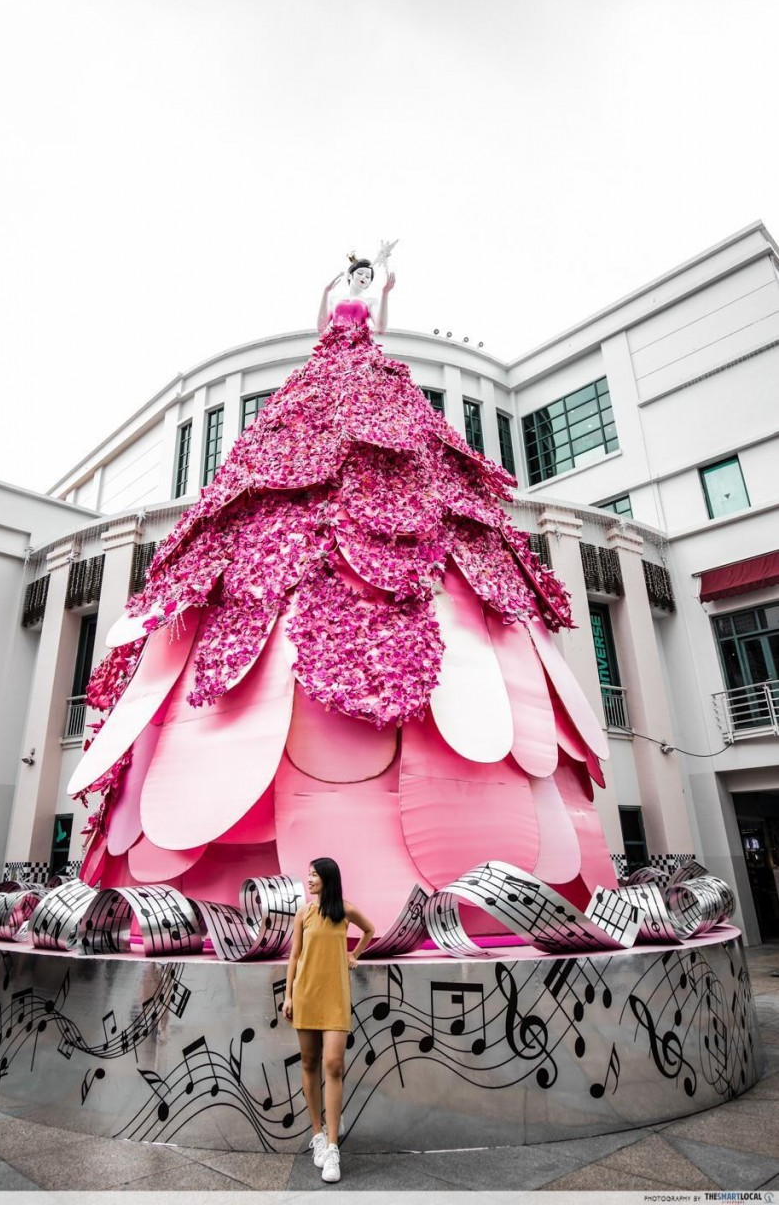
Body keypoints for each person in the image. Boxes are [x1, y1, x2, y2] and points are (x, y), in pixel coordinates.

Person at [70, 247, 613, 945]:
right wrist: (339, 286)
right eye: (353, 281)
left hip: (370, 383)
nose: (354, 289)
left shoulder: (370, 313)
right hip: (321, 389)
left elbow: (376, 311)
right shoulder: (330, 310)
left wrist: (381, 282)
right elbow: (322, 309)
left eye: (357, 283)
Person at [282, 858, 374, 1183]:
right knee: (309, 1063)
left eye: (314, 875)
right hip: (305, 994)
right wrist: (289, 995)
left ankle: (333, 1148)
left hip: (335, 998)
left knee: (333, 1065)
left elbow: (370, 930)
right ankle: (318, 1134)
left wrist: (355, 955)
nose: (309, 879)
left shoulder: (344, 911)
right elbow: (294, 955)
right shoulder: (303, 914)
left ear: (328, 879)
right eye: (308, 874)